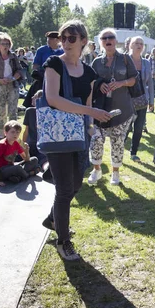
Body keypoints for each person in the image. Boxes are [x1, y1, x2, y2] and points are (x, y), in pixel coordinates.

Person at [40, 20, 111, 260]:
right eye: (63, 38)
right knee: (64, 189)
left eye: (72, 38)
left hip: (79, 134)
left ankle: (52, 219)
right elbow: (53, 99)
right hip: (56, 135)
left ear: (83, 41)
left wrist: (91, 129)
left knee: (77, 185)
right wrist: (90, 114)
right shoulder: (53, 64)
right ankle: (63, 241)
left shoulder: (89, 72)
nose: (66, 42)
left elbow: (88, 103)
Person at [88, 28, 137, 186]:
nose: (107, 40)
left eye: (110, 38)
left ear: (115, 41)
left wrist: (121, 83)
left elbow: (134, 79)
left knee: (117, 141)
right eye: (104, 38)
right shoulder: (96, 61)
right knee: (96, 140)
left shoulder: (125, 59)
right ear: (100, 42)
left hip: (121, 108)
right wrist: (100, 84)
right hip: (101, 109)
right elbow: (91, 81)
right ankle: (96, 169)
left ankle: (115, 173)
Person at [127, 36, 154, 161]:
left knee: (138, 128)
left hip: (142, 99)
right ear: (130, 45)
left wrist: (152, 101)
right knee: (126, 127)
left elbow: (150, 83)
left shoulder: (146, 62)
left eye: (141, 43)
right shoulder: (124, 60)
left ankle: (133, 152)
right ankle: (118, 149)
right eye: (136, 43)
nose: (139, 45)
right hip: (126, 99)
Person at [0, 33, 23, 139]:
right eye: (3, 44)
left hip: (12, 86)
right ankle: (2, 131)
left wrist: (13, 78)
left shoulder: (13, 57)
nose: (5, 46)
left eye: (7, 44)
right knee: (1, 111)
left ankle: (14, 133)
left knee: (12, 110)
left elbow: (19, 70)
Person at [0, 120, 40, 186]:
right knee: (17, 168)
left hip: (11, 167)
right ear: (5, 133)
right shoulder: (1, 145)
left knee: (34, 159)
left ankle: (17, 177)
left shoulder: (16, 143)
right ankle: (29, 174)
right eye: (12, 132)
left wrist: (26, 151)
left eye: (17, 132)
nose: (15, 134)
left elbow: (26, 160)